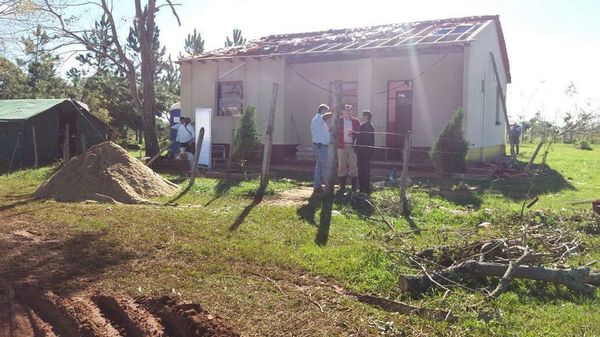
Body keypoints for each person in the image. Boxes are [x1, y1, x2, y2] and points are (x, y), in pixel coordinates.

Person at [337, 104, 360, 193]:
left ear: (352, 111)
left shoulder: (356, 121)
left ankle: (354, 187)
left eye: (350, 110)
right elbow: (334, 131)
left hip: (352, 146)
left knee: (353, 165)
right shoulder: (339, 120)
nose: (348, 112)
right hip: (341, 146)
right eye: (346, 110)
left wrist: (353, 133)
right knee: (341, 165)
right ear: (343, 111)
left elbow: (359, 133)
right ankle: (342, 187)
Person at [310, 104, 332, 194]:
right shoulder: (318, 118)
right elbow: (325, 116)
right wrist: (333, 112)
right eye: (326, 110)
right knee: (325, 166)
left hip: (319, 146)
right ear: (322, 110)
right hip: (320, 147)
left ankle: (317, 186)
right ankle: (326, 186)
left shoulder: (319, 121)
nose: (327, 112)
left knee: (319, 166)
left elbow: (323, 133)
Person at [354, 110, 375, 194]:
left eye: (362, 115)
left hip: (362, 152)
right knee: (366, 170)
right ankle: (366, 188)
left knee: (362, 170)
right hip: (367, 152)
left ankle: (362, 188)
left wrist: (354, 134)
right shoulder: (370, 125)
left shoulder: (364, 126)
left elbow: (362, 138)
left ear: (366, 116)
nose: (360, 117)